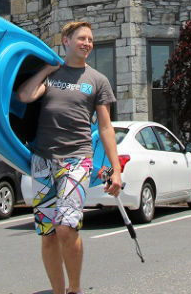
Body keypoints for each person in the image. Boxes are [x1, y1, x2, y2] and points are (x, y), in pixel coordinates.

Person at [17, 20, 122, 294]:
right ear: (66, 41)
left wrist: (116, 169)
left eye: (90, 39)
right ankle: (58, 291)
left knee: (66, 227)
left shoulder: (97, 81)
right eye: (81, 38)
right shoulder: (51, 76)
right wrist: (47, 69)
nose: (87, 43)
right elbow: (25, 95)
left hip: (77, 159)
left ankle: (75, 289)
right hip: (42, 160)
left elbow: (106, 126)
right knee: (48, 234)